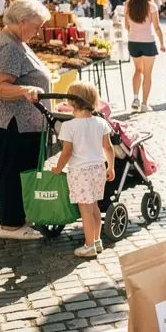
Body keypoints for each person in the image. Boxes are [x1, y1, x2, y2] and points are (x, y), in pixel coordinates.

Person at [0, 0, 52, 240]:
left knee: (19, 171)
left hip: (19, 121)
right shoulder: (8, 46)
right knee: (12, 171)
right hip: (10, 121)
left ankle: (16, 218)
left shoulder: (15, 40)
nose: (38, 31)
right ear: (22, 21)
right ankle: (11, 225)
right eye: (37, 26)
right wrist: (24, 90)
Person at [51, 81, 115, 259]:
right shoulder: (101, 122)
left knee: (85, 211)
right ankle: (96, 241)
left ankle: (88, 246)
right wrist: (111, 167)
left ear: (72, 102)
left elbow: (66, 153)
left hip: (80, 172)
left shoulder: (69, 126)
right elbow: (108, 148)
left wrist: (57, 168)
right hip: (98, 169)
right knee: (94, 207)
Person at [124, 0, 165, 113]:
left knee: (137, 70)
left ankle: (135, 98)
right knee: (147, 74)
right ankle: (144, 103)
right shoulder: (152, 6)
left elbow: (126, 26)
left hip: (133, 41)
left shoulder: (128, 5)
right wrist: (162, 43)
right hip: (148, 41)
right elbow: (157, 26)